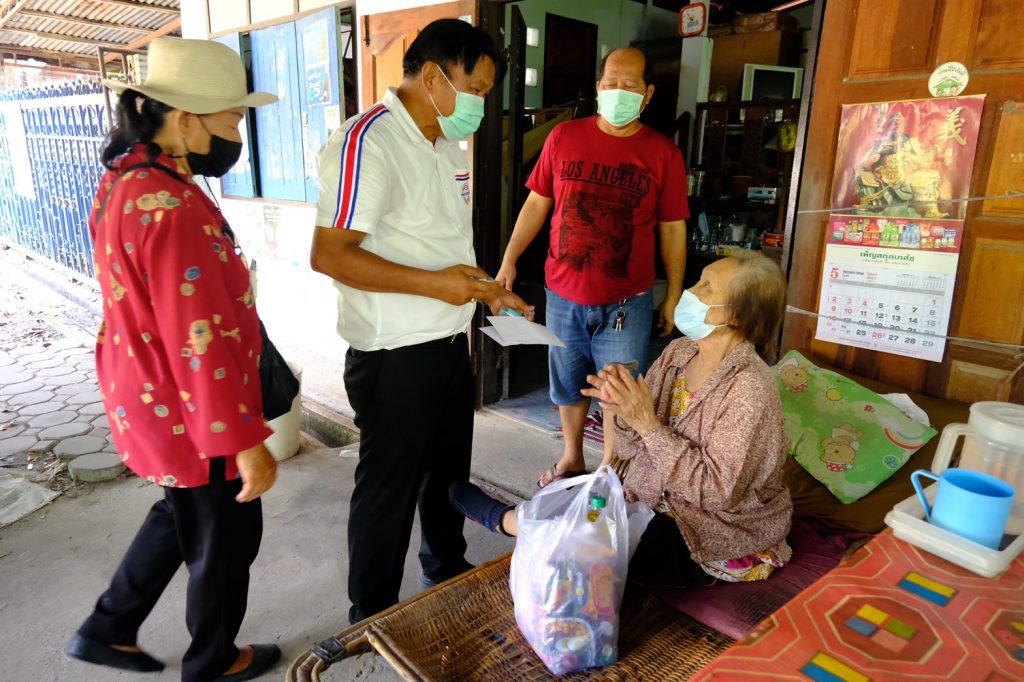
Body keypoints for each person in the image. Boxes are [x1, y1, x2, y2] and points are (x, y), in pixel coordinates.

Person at [66, 38, 282, 681]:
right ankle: (213, 661)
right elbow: (199, 338)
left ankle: (108, 627)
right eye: (232, 119)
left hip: (149, 390)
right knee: (225, 539)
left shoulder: (128, 178)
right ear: (186, 120)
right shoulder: (172, 206)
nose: (238, 133)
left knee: (181, 514)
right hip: (192, 407)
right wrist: (243, 441)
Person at [309, 19, 533, 625]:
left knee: (447, 474)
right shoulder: (369, 142)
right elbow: (331, 255)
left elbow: (438, 250)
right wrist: (440, 286)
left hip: (447, 343)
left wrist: (490, 292)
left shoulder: (443, 146)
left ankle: (444, 565)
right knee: (389, 487)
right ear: (434, 76)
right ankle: (373, 612)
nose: (480, 105)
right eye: (476, 89)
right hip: (393, 355)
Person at [453, 251, 793, 587]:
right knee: (583, 502)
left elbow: (717, 493)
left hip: (713, 527)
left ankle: (511, 522)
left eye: (707, 287)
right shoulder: (680, 352)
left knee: (597, 545)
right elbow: (630, 448)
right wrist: (618, 406)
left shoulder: (749, 389)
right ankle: (528, 519)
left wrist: (648, 425)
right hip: (652, 497)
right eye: (698, 281)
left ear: (736, 316)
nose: (691, 291)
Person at [495, 47, 689, 487]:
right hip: (563, 295)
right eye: (611, 82)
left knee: (618, 390)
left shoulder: (663, 154)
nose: (618, 91)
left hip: (627, 301)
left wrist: (674, 294)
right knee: (566, 382)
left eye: (629, 84)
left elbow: (672, 228)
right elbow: (537, 203)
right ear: (599, 87)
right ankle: (571, 457)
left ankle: (608, 469)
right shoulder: (563, 136)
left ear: (647, 94)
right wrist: (509, 258)